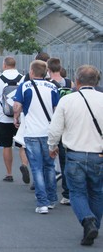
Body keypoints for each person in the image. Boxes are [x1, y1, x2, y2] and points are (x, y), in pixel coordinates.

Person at [48, 65, 103, 246]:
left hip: (75, 154)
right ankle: (94, 223)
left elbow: (56, 128)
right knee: (97, 192)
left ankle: (87, 221)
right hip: (99, 155)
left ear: (77, 81)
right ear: (97, 81)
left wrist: (52, 145)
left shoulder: (67, 100)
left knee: (77, 192)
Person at [13, 60, 59, 214]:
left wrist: (16, 117)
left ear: (32, 72)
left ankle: (42, 202)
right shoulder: (52, 87)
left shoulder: (25, 86)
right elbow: (56, 109)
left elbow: (17, 106)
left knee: (37, 168)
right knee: (50, 166)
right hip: (48, 132)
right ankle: (52, 198)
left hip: (32, 132)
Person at [0, 56, 30, 183]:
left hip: (3, 117)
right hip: (20, 118)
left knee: (6, 146)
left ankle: (9, 173)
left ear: (4, 65)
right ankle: (24, 165)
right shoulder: (23, 78)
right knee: (22, 145)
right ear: (15, 65)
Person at [47, 57, 74, 206]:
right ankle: (68, 192)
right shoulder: (70, 83)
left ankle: (50, 190)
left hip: (53, 122)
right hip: (69, 124)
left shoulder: (48, 85)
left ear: (48, 69)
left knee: (51, 159)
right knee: (67, 158)